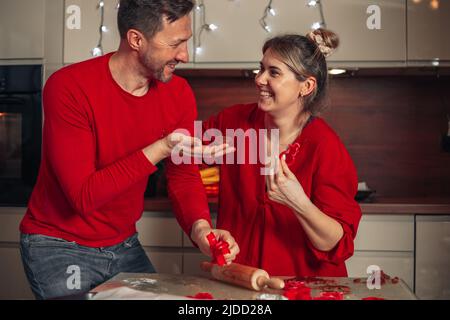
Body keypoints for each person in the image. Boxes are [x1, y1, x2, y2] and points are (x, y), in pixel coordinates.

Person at [19, 0, 238, 300]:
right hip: (59, 245)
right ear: (136, 39)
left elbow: (183, 175)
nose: (185, 55)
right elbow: (84, 196)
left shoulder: (178, 93)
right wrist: (161, 147)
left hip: (123, 244)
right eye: (176, 44)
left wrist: (201, 229)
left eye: (186, 42)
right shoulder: (69, 87)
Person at [190, 29, 362, 277]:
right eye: (261, 69)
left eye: (274, 72)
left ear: (306, 86)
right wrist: (200, 225)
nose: (259, 79)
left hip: (303, 286)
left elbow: (335, 244)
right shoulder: (233, 123)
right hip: (243, 280)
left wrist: (298, 202)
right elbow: (181, 158)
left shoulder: (326, 147)